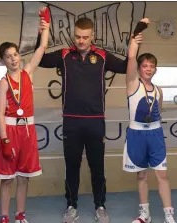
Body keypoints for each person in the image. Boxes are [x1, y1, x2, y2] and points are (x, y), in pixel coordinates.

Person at [37, 16, 128, 223]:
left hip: (96, 120)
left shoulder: (103, 56)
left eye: (85, 37)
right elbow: (41, 59)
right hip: (71, 121)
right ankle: (71, 206)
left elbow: (124, 67)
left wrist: (134, 44)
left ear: (92, 36)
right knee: (72, 166)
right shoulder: (65, 55)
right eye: (77, 36)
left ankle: (100, 206)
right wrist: (41, 33)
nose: (81, 41)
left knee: (97, 167)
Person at [0, 7, 50, 223]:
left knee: (24, 177)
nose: (13, 59)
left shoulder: (28, 73)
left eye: (15, 54)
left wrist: (45, 25)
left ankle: (20, 215)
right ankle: (4, 216)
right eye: (8, 57)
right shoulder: (3, 83)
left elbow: (43, 47)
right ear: (2, 61)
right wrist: (4, 138)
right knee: (7, 179)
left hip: (28, 130)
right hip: (10, 131)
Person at [123, 18, 176, 223]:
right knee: (142, 176)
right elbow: (130, 56)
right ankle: (145, 214)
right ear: (139, 68)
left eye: (151, 66)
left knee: (162, 175)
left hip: (154, 134)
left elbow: (158, 113)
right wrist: (137, 31)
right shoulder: (132, 84)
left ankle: (168, 215)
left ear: (155, 69)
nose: (148, 69)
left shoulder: (158, 91)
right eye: (144, 65)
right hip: (136, 134)